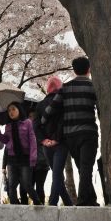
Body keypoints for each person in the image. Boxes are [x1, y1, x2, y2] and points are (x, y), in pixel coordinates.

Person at [42, 57, 99, 206]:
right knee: (86, 167)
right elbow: (101, 109)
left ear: (74, 70)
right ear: (89, 69)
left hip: (70, 135)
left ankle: (91, 200)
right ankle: (82, 201)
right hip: (88, 132)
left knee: (82, 167)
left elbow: (49, 110)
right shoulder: (93, 87)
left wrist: (43, 122)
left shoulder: (65, 88)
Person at [34, 77, 74, 207]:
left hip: (46, 146)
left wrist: (44, 140)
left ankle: (68, 203)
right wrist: (56, 139)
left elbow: (36, 126)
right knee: (57, 174)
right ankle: (53, 203)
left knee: (57, 175)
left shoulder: (39, 105)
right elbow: (64, 122)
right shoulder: (64, 102)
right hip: (61, 143)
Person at [0, 101, 42, 206]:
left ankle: (38, 204)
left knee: (27, 185)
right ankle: (15, 208)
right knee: (11, 186)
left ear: (19, 110)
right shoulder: (8, 126)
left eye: (13, 109)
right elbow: (6, 140)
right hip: (12, 159)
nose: (11, 112)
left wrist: (33, 158)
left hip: (25, 158)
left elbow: (33, 141)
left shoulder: (28, 123)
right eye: (9, 110)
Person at [27, 102, 50, 205]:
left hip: (42, 162)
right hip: (31, 164)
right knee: (29, 186)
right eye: (30, 117)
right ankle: (37, 204)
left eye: (33, 116)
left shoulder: (42, 129)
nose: (32, 119)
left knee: (39, 187)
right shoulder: (26, 131)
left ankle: (41, 206)